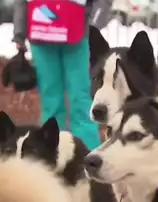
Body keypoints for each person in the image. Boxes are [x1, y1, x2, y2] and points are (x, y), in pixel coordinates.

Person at [12, 0, 110, 149]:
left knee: (77, 99)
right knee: (61, 99)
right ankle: (55, 150)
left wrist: (93, 24)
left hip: (68, 32)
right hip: (46, 34)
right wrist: (19, 33)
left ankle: (86, 152)